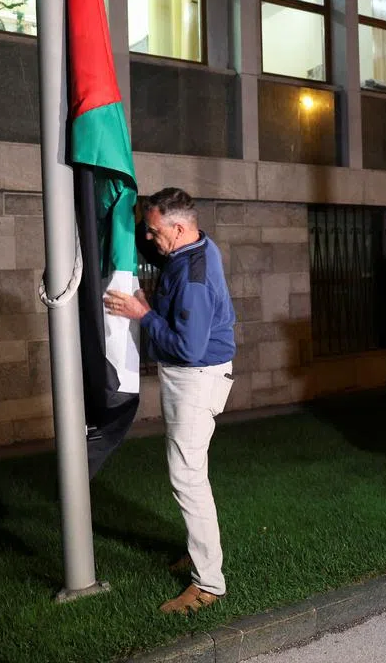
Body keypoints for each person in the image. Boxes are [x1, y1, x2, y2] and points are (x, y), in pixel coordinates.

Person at [103, 187, 237, 614]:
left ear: (178, 229)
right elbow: (178, 310)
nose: (148, 237)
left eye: (154, 230)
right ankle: (200, 555)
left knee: (188, 480)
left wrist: (143, 316)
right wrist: (151, 304)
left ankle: (209, 584)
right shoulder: (193, 248)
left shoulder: (194, 272)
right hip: (197, 378)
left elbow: (189, 346)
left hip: (195, 379)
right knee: (190, 475)